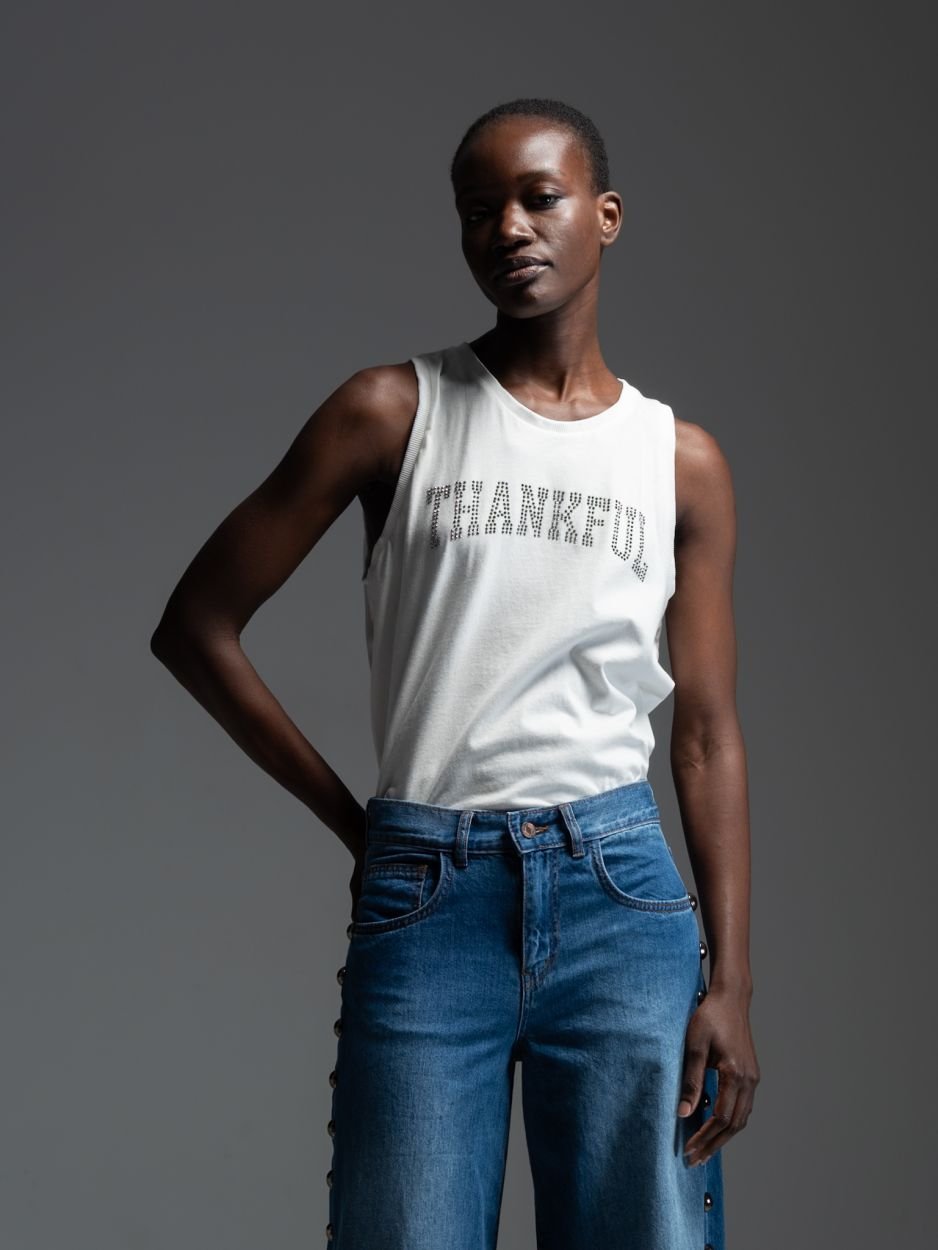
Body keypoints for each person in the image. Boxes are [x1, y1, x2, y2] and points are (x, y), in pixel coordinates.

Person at [151, 96, 759, 1250]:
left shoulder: (678, 461)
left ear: (605, 215)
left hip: (621, 897)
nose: (508, 228)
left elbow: (705, 733)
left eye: (539, 197)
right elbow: (197, 626)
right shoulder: (391, 412)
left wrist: (729, 981)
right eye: (478, 210)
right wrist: (362, 828)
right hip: (429, 894)